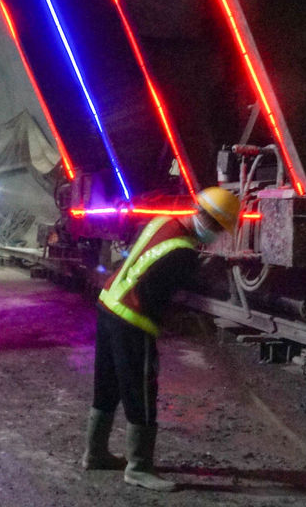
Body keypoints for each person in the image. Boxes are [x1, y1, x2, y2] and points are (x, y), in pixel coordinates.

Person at [81, 186, 239, 492]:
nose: (218, 236)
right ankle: (139, 468)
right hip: (133, 321)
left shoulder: (161, 221)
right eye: (220, 229)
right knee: (141, 391)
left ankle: (95, 453)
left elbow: (148, 260)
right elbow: (160, 292)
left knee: (107, 385)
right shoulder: (183, 254)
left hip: (109, 306)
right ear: (213, 224)